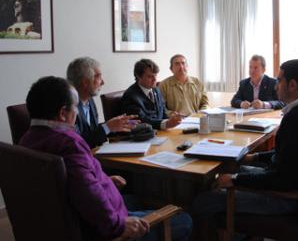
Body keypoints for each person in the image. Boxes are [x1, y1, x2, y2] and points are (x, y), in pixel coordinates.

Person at [19, 76, 192, 241]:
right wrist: (118, 225)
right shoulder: (68, 141)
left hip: (60, 223)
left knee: (135, 199)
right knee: (183, 219)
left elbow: (66, 181)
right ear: (63, 113)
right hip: (102, 230)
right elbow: (88, 194)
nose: (77, 114)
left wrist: (104, 180)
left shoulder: (26, 141)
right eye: (75, 108)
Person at [193, 59, 298, 232]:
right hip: (296, 186)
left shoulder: (295, 120)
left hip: (284, 197)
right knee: (231, 171)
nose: (276, 85)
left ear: (292, 85)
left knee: (202, 201)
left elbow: (280, 180)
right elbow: (286, 155)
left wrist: (234, 180)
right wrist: (253, 157)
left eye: (280, 80)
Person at [67, 57, 136, 148]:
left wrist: (116, 126)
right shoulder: (69, 106)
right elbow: (79, 143)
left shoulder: (89, 99)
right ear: (85, 82)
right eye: (98, 77)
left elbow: (92, 131)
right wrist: (107, 127)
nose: (103, 82)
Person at [121, 59, 182, 130]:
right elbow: (140, 121)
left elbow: (163, 111)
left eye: (155, 75)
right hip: (143, 136)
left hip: (161, 133)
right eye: (150, 76)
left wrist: (172, 118)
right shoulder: (131, 96)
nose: (154, 79)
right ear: (138, 77)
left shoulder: (156, 89)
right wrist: (166, 124)